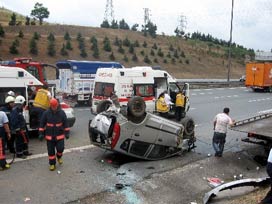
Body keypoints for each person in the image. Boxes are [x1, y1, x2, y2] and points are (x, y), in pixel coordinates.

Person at [38, 98, 70, 171]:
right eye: (52, 106)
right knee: (51, 151)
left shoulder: (62, 113)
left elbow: (66, 123)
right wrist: (41, 133)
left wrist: (67, 132)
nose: (54, 108)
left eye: (55, 106)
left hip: (60, 135)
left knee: (60, 148)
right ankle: (52, 164)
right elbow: (42, 124)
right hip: (49, 136)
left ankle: (59, 157)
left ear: (57, 105)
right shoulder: (46, 113)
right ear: (50, 106)